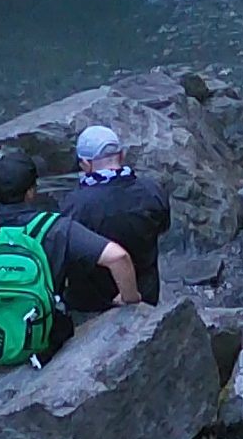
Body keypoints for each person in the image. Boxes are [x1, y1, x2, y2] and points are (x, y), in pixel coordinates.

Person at [0, 143, 138, 366]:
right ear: (31, 191)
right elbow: (118, 257)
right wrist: (129, 298)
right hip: (40, 331)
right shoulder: (56, 227)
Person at [61, 119, 171, 304]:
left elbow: (69, 252)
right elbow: (163, 227)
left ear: (86, 164)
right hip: (145, 293)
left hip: (93, 301)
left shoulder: (75, 204)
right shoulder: (153, 190)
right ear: (121, 156)